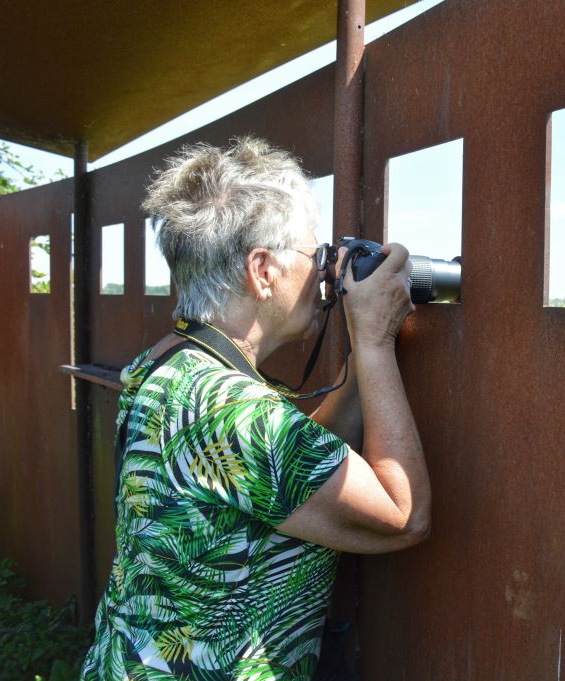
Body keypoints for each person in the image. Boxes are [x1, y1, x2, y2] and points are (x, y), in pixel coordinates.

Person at [80, 137, 431, 680]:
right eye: (314, 256)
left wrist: (361, 359)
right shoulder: (233, 411)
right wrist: (377, 343)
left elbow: (288, 468)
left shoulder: (167, 366)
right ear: (263, 269)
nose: (325, 274)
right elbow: (403, 517)